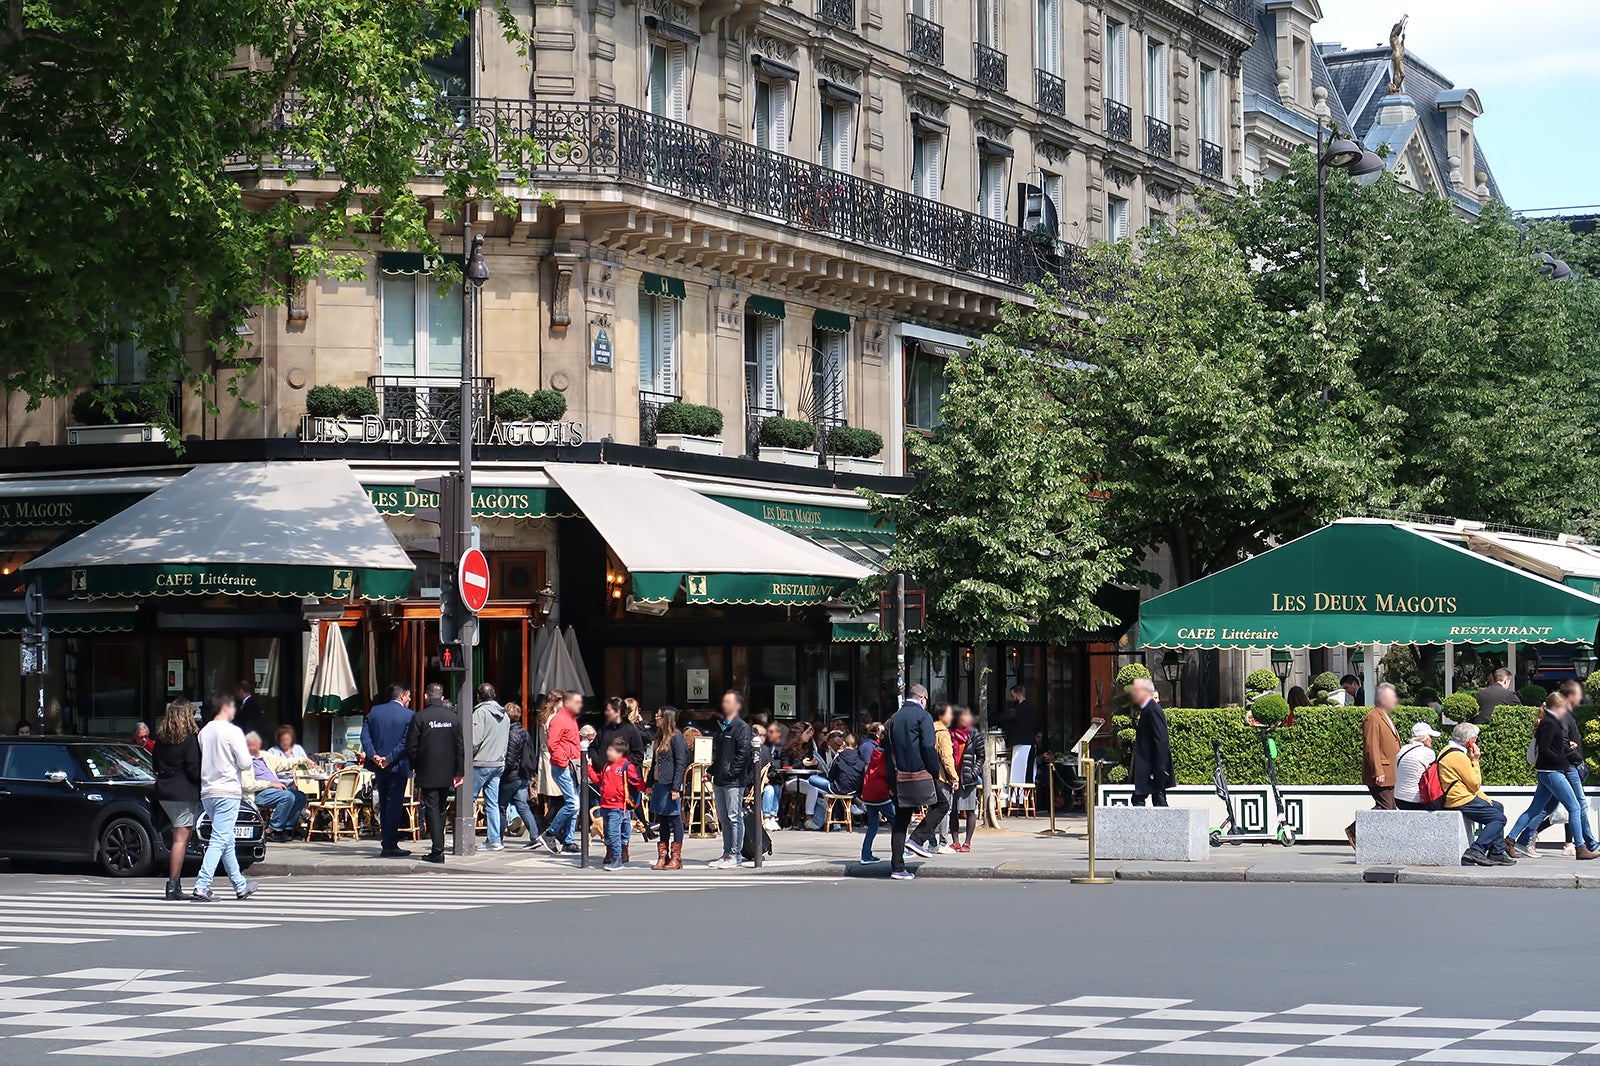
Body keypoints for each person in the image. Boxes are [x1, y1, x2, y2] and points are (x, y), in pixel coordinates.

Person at [1508, 693, 1597, 861]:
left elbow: (1552, 746)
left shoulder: (1549, 722)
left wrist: (1565, 747)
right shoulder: (1550, 723)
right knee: (1575, 807)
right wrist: (1563, 758)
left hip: (1547, 772)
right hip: (1553, 772)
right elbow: (1546, 749)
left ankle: (1511, 839)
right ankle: (1580, 847)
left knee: (1535, 810)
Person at [191, 694, 257, 902]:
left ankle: (240, 885)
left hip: (208, 790)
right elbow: (246, 763)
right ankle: (202, 884)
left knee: (226, 839)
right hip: (228, 789)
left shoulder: (204, 732)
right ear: (227, 707)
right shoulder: (233, 731)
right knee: (220, 839)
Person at [1437, 722, 1515, 866]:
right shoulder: (1458, 756)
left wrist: (1484, 798)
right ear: (1471, 741)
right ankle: (1476, 850)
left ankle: (1496, 852)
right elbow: (1474, 784)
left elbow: (1467, 784)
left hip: (1459, 796)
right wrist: (1475, 761)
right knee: (1499, 819)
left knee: (1497, 807)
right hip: (1460, 800)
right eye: (1476, 739)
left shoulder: (1447, 750)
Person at [886, 684, 939, 880]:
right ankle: (917, 839)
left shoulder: (893, 719)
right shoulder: (923, 717)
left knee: (900, 821)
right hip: (919, 774)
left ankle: (897, 867)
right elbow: (928, 746)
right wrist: (934, 771)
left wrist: (891, 781)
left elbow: (887, 753)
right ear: (923, 698)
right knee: (942, 804)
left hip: (899, 776)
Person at [405, 681, 463, 864]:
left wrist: (414, 765)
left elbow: (411, 746)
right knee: (440, 807)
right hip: (447, 770)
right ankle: (439, 846)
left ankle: (438, 850)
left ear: (426, 696)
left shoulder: (420, 717)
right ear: (443, 697)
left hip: (427, 768)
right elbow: (460, 747)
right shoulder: (453, 718)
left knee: (431, 807)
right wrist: (459, 771)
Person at [152, 699, 201, 901]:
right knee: (181, 839)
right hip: (183, 791)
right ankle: (173, 884)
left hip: (163, 789)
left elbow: (154, 763)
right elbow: (193, 768)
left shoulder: (161, 738)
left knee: (175, 838)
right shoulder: (189, 739)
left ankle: (175, 883)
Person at [360, 683, 416, 858]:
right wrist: (389, 758)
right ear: (402, 696)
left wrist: (374, 755)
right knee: (393, 804)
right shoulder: (409, 715)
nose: (409, 700)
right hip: (397, 765)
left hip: (379, 765)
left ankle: (387, 841)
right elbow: (406, 741)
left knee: (384, 803)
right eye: (408, 697)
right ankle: (390, 844)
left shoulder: (375, 711)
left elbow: (365, 737)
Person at [1345, 681, 1401, 847]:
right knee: (1386, 808)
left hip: (1391, 772)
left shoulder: (1385, 716)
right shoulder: (1373, 717)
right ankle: (1355, 830)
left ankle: (1377, 840)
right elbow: (1371, 746)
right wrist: (1378, 771)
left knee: (1389, 808)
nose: (1394, 701)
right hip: (1382, 772)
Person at [708, 689, 752, 868]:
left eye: (728, 702)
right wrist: (712, 770)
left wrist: (731, 772)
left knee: (734, 817)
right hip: (720, 779)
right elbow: (720, 755)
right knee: (724, 818)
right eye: (724, 702)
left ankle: (735, 854)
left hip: (733, 780)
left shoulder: (741, 727)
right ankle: (726, 852)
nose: (724, 705)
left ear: (737, 705)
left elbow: (743, 754)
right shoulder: (722, 726)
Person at [588, 736, 645, 871]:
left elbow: (636, 781)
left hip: (617, 805)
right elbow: (598, 780)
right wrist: (589, 768)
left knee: (614, 833)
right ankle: (613, 855)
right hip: (605, 805)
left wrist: (646, 789)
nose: (608, 752)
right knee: (607, 833)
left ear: (620, 753)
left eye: (611, 750)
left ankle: (617, 859)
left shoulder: (626, 766)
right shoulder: (607, 766)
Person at [242, 731, 310, 841]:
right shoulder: (244, 761)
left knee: (300, 796)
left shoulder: (264, 756)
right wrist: (270, 784)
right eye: (249, 744)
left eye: (254, 744)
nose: (252, 747)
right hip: (258, 792)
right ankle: (273, 830)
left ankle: (287, 828)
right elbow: (247, 785)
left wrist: (304, 760)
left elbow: (285, 763)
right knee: (287, 796)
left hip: (275, 789)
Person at [540, 690, 583, 855]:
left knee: (574, 804)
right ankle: (550, 833)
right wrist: (563, 761)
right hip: (565, 765)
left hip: (572, 764)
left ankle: (568, 841)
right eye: (577, 702)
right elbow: (553, 744)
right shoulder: (560, 719)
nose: (580, 706)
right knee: (573, 803)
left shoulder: (568, 718)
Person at [471, 683, 510, 852]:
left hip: (481, 762)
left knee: (468, 800)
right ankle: (494, 839)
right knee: (492, 802)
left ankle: (463, 837)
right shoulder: (505, 714)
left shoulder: (480, 712)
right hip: (498, 762)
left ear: (479, 697)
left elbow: (474, 740)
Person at [650, 706, 689, 870]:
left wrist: (676, 788)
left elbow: (681, 763)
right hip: (659, 783)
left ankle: (676, 857)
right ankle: (662, 856)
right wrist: (648, 783)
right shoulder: (659, 737)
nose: (655, 717)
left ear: (666, 718)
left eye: (658, 715)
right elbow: (654, 763)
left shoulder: (677, 737)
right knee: (663, 819)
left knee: (674, 818)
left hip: (670, 784)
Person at [502, 702, 544, 850]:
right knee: (523, 805)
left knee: (500, 806)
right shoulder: (524, 732)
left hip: (512, 776)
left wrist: (504, 772)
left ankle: (497, 839)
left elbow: (510, 759)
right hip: (523, 775)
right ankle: (534, 835)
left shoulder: (510, 734)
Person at [1130, 677, 1174, 807]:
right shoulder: (1148, 709)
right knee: (1157, 800)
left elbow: (1161, 739)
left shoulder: (1152, 709)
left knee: (1141, 799)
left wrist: (1160, 767)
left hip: (1153, 766)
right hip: (1152, 766)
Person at [948, 706, 983, 852]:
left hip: (968, 777)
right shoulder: (949, 733)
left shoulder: (974, 733)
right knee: (953, 810)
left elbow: (982, 756)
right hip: (953, 777)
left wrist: (974, 772)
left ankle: (967, 842)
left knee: (970, 810)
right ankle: (955, 841)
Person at [859, 724, 894, 864]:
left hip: (868, 792)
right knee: (897, 822)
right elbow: (887, 773)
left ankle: (865, 854)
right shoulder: (886, 755)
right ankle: (901, 850)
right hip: (881, 793)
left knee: (873, 825)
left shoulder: (875, 751)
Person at [1393, 721, 1442, 810]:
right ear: (1425, 738)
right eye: (1431, 737)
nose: (1432, 740)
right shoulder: (1428, 753)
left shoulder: (1403, 749)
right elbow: (1433, 777)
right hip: (1416, 799)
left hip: (1399, 797)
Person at [824, 734, 866, 831]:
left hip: (836, 788)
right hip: (852, 790)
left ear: (844, 743)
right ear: (856, 746)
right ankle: (855, 804)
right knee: (842, 789)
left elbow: (831, 775)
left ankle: (830, 819)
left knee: (813, 779)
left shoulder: (839, 757)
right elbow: (861, 779)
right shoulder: (861, 761)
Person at [755, 722, 785, 832]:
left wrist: (769, 776)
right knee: (770, 790)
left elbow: (771, 767)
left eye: (764, 735)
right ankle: (766, 817)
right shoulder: (751, 750)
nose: (762, 738)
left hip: (765, 781)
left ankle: (773, 816)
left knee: (777, 787)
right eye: (760, 735)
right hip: (753, 783)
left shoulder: (766, 750)